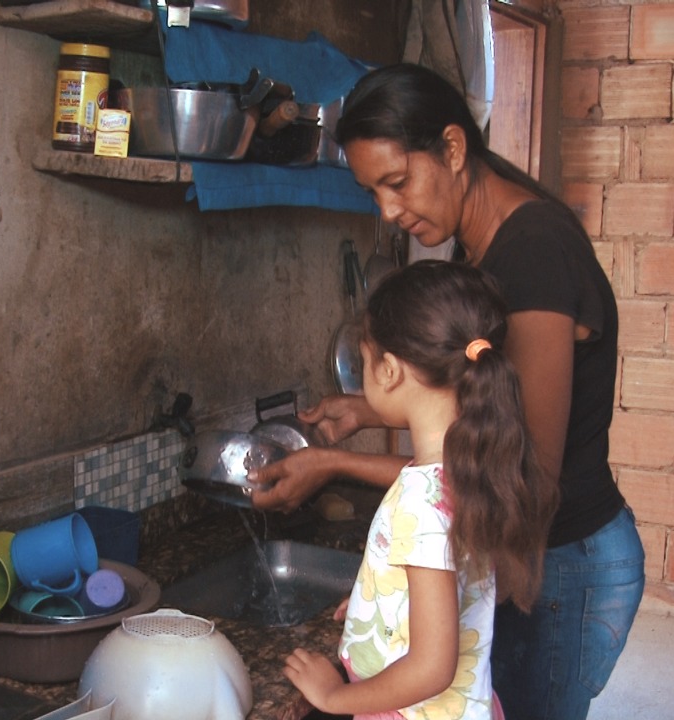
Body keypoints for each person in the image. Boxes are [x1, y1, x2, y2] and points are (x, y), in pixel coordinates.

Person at [252, 63, 645, 720]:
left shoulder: (532, 253)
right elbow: (473, 408)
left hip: (564, 562)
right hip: (530, 558)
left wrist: (332, 463)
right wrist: (367, 408)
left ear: (454, 149)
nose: (389, 211)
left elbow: (521, 476)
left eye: (398, 183)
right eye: (372, 191)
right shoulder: (481, 251)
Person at [282, 260, 558, 720]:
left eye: (364, 361)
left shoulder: (421, 501)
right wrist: (383, 601)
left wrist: (333, 698)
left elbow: (432, 668)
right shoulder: (465, 469)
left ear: (388, 370)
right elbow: (452, 578)